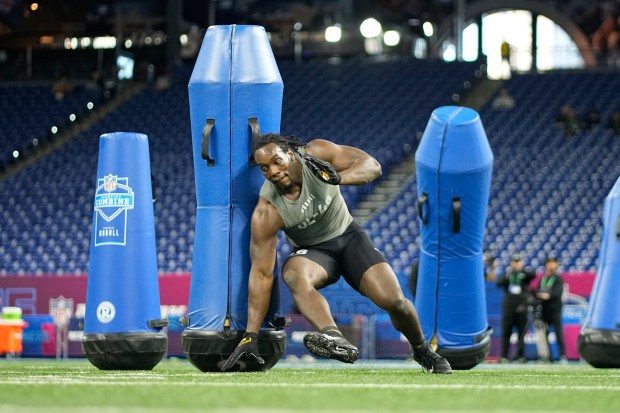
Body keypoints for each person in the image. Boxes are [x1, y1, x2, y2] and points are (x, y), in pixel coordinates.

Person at [221, 133, 452, 374]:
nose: (273, 171)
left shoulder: (316, 154)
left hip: (349, 238)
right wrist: (250, 334)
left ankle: (422, 350)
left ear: (290, 154)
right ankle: (334, 338)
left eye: (277, 161)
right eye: (264, 168)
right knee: (293, 274)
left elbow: (372, 166)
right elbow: (261, 275)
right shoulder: (267, 210)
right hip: (315, 252)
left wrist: (340, 178)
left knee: (396, 303)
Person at [496, 253, 535, 363]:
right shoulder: (508, 274)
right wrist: (510, 272)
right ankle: (504, 355)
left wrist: (521, 269)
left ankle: (520, 355)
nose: (516, 263)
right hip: (509, 306)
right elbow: (499, 282)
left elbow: (533, 275)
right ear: (511, 263)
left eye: (518, 261)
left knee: (521, 331)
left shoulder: (524, 274)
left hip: (522, 305)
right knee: (506, 331)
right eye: (515, 261)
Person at [532, 255, 566, 362]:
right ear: (546, 264)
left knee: (558, 333)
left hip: (555, 310)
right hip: (544, 310)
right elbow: (537, 291)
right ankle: (547, 356)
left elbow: (556, 293)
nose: (552, 265)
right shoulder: (543, 278)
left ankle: (562, 355)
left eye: (554, 262)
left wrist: (546, 295)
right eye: (550, 262)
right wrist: (543, 295)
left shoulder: (558, 278)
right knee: (543, 333)